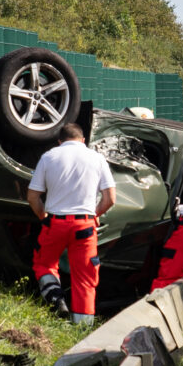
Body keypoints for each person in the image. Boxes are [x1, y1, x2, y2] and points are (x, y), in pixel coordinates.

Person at [26, 121, 116, 324]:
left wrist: (42, 216)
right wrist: (95, 214)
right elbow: (110, 198)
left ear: (60, 141)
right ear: (83, 140)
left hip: (55, 223)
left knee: (44, 264)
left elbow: (32, 196)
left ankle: (56, 299)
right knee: (85, 278)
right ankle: (82, 329)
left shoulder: (49, 157)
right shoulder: (97, 158)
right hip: (84, 226)